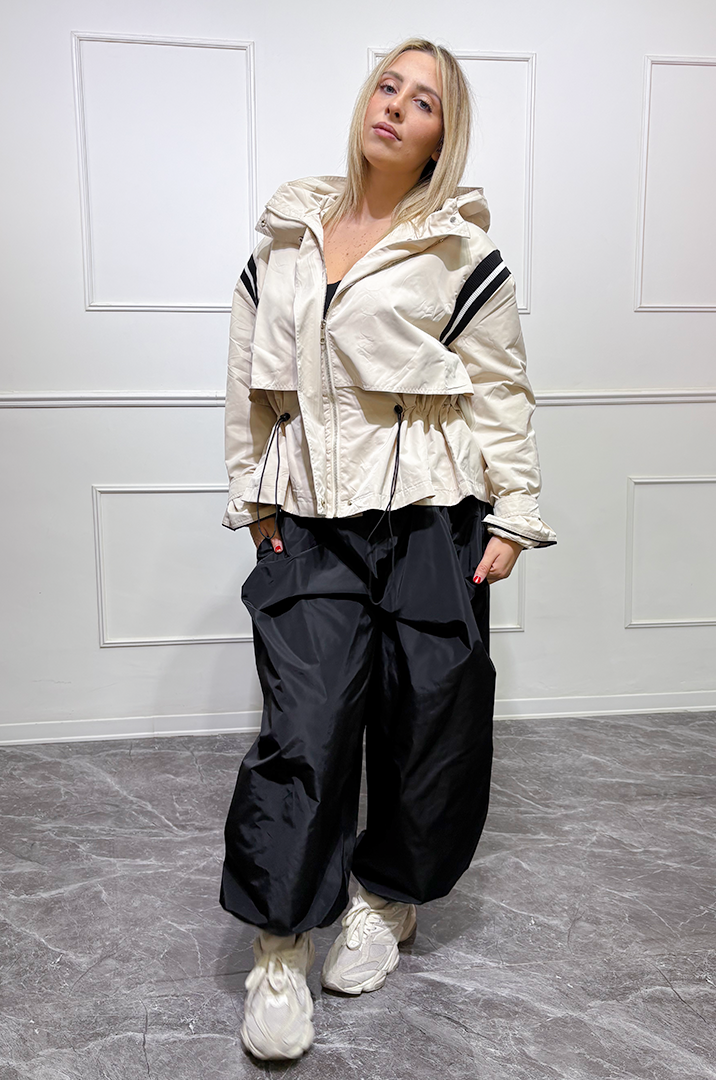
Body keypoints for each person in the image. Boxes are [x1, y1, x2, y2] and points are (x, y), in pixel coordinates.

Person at [218, 37, 557, 1061]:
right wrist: (254, 496)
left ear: (441, 137)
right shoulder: (287, 236)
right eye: (388, 86)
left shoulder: (458, 250)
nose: (397, 107)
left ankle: (388, 896)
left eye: (425, 101)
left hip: (431, 517)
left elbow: (499, 386)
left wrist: (514, 509)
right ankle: (280, 946)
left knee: (430, 720)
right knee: (305, 725)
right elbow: (248, 384)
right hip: (311, 517)